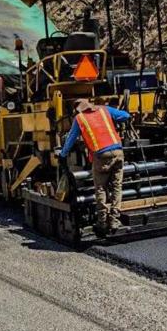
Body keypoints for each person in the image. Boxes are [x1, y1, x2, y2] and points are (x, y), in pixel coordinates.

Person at [58, 99, 131, 236]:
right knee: (117, 186)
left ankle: (102, 222)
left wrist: (62, 155)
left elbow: (71, 139)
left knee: (101, 188)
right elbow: (126, 116)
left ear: (78, 110)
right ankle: (115, 220)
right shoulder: (104, 110)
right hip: (118, 151)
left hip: (101, 155)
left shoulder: (79, 119)